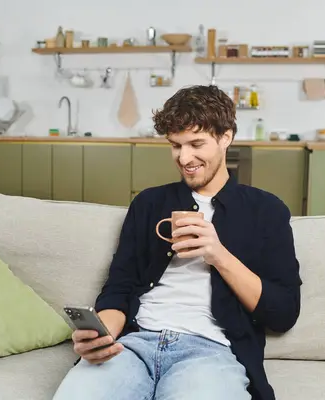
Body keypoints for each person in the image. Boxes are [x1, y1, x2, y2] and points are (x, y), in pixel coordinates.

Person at [52, 85, 302, 400]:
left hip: (210, 352)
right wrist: (101, 335)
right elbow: (120, 286)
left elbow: (283, 313)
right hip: (133, 345)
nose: (184, 158)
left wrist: (218, 255)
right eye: (175, 146)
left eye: (197, 144)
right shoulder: (149, 203)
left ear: (226, 137)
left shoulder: (266, 210)